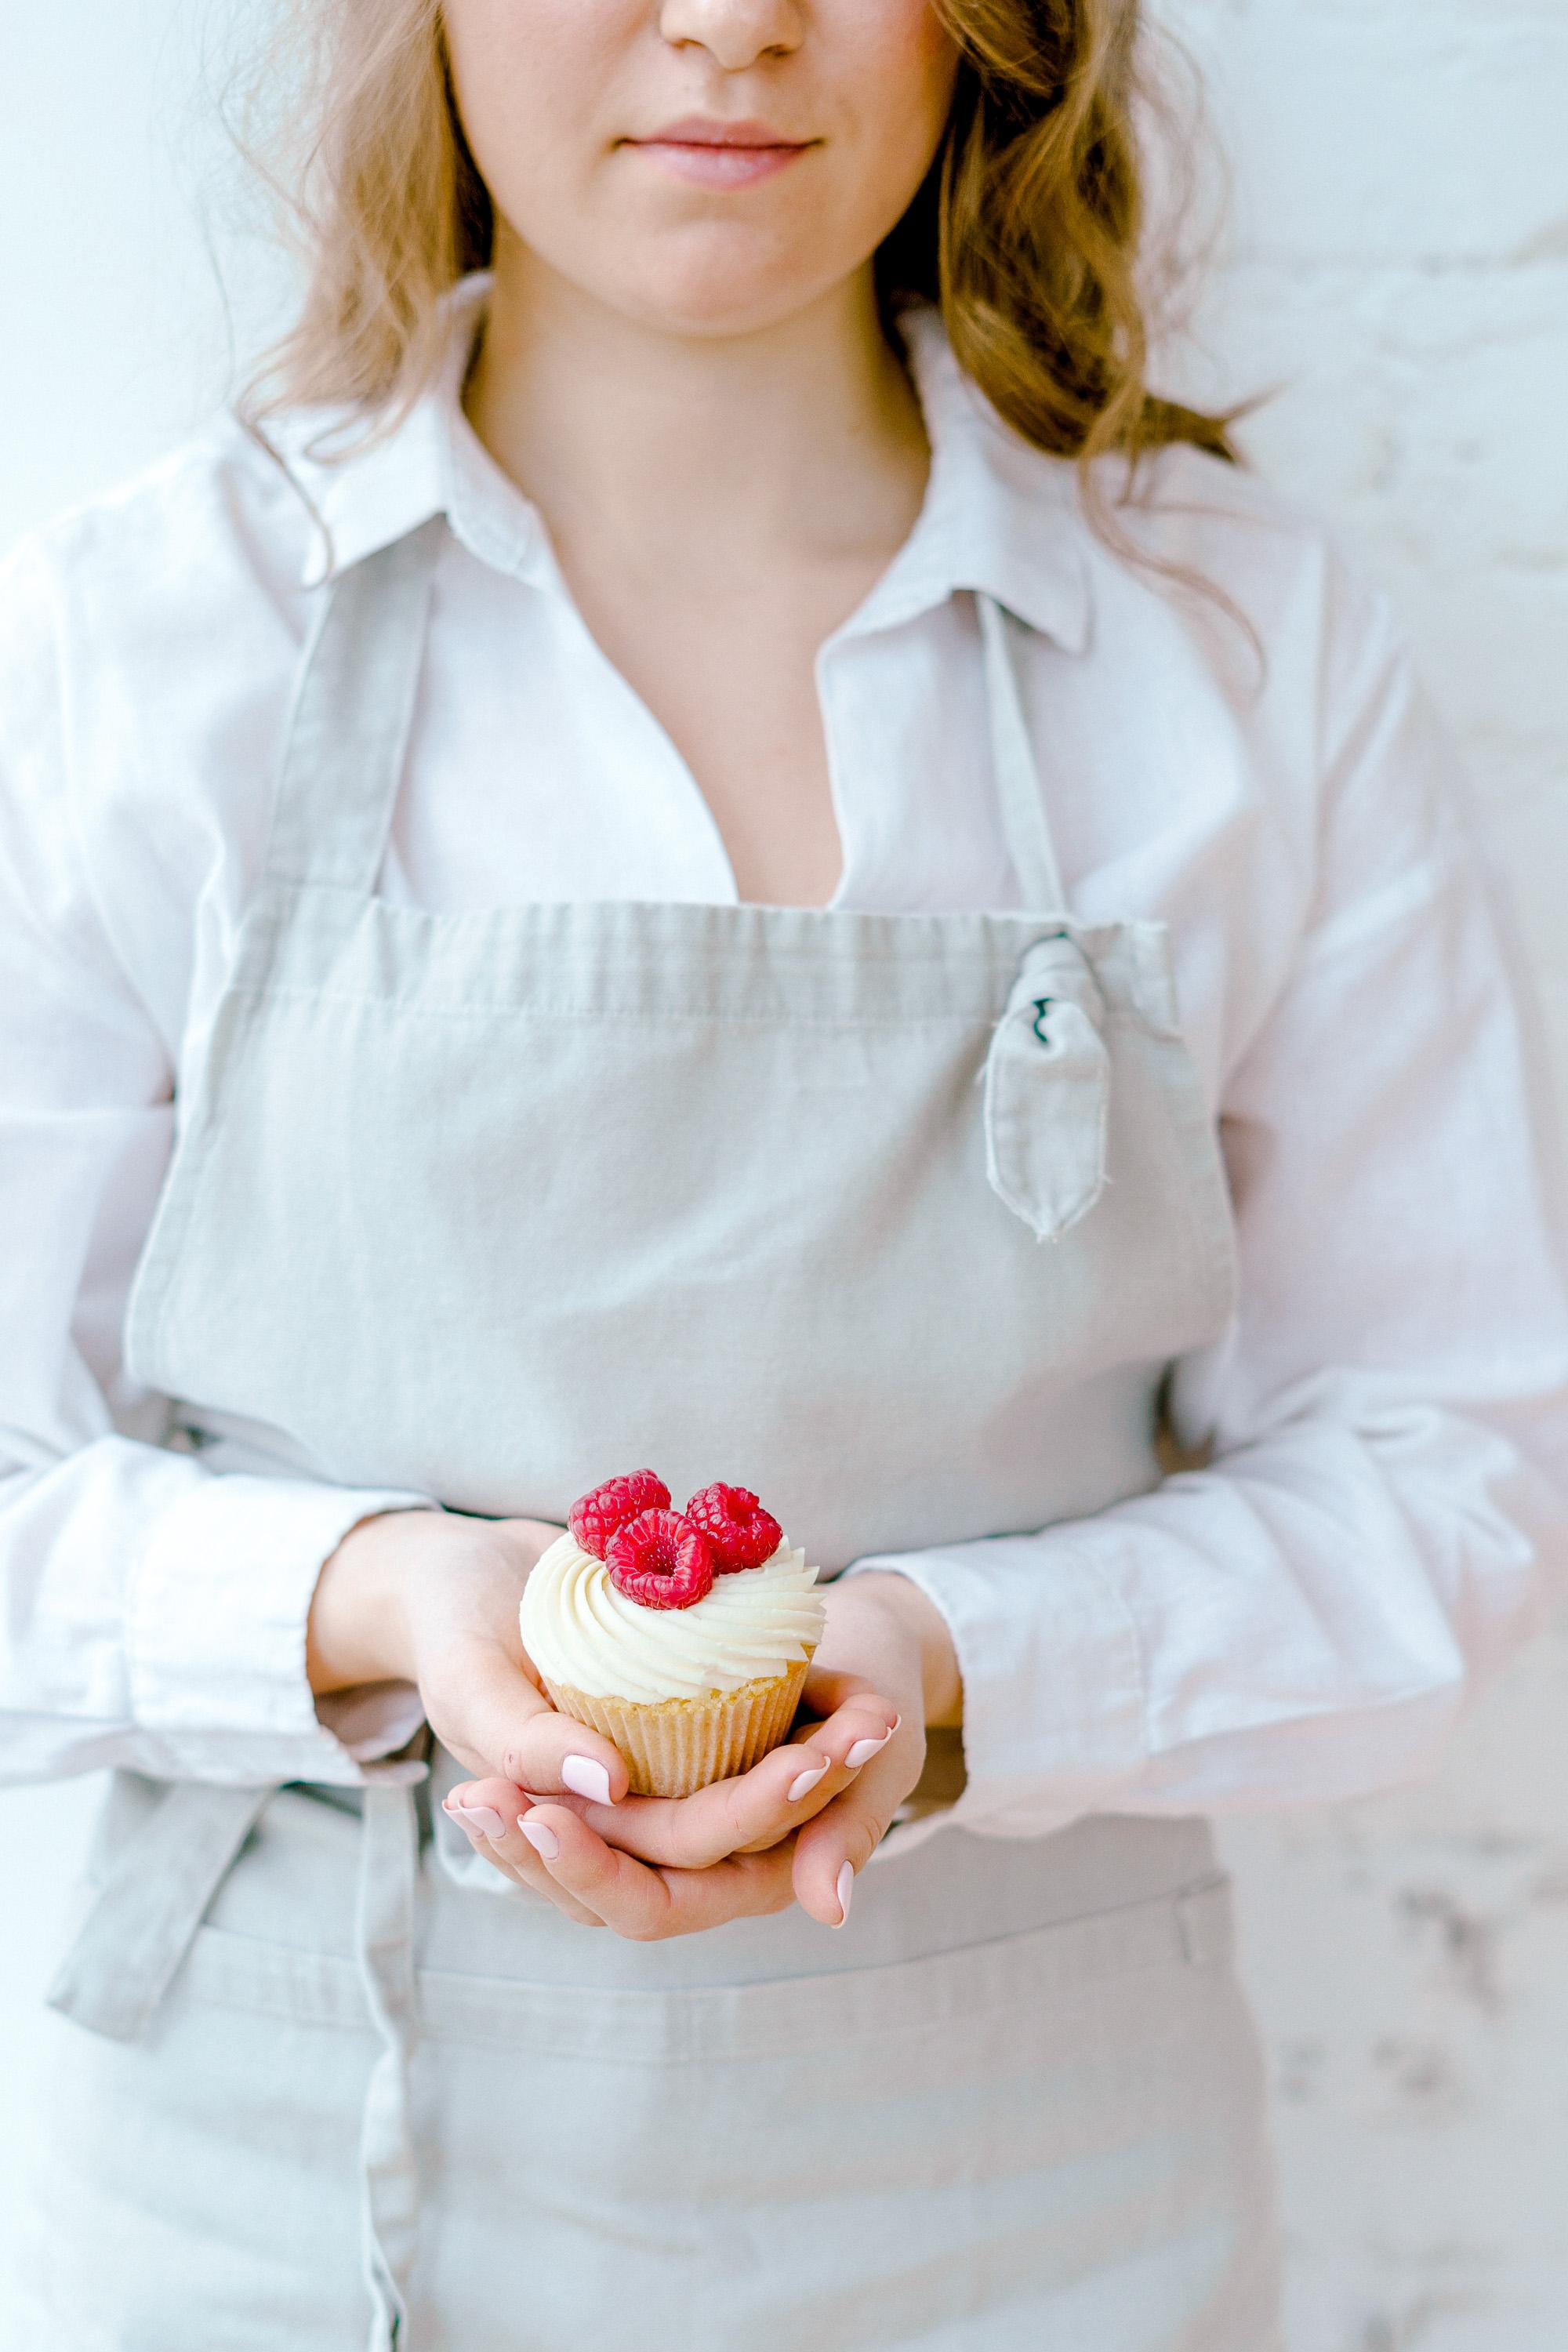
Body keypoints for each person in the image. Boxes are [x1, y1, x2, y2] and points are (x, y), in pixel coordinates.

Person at [4, 1, 1566, 2345]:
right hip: (283, 2179)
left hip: (1041, 2201)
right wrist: (388, 1593)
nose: (729, 20)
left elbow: (1447, 1478)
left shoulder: (1231, 639)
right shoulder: (157, 633)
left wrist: (944, 1674)